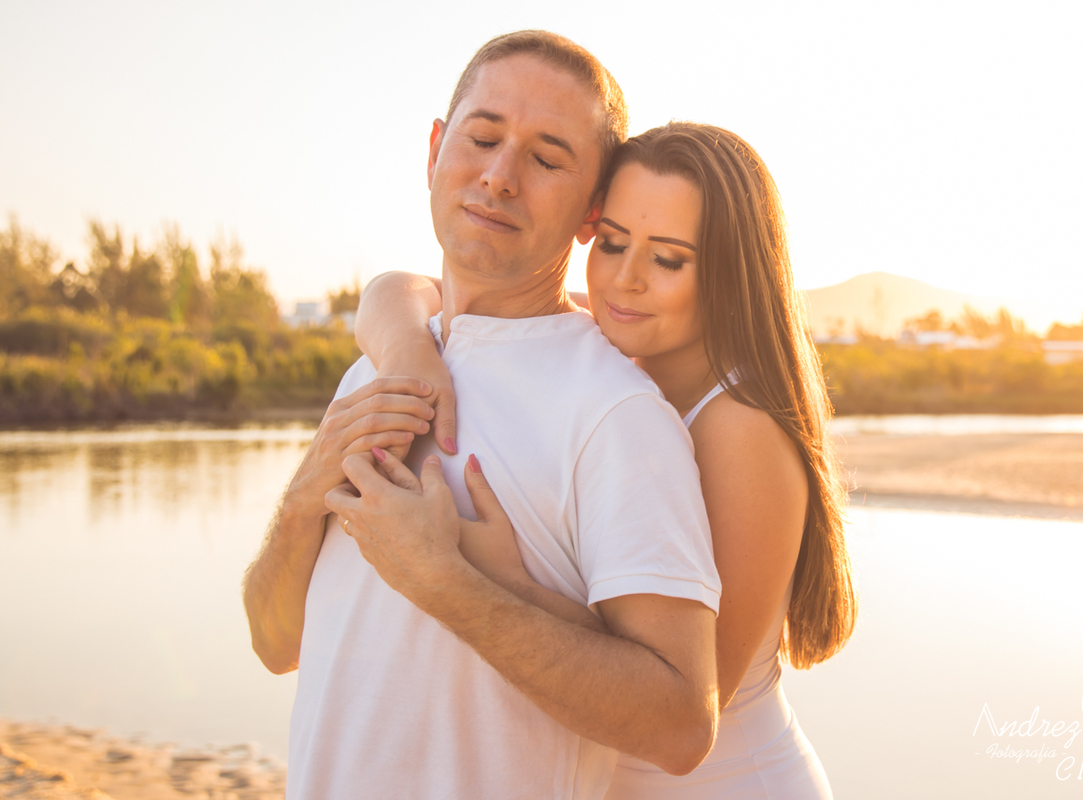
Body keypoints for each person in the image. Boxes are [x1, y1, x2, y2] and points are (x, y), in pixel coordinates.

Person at [241, 32, 724, 800]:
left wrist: (445, 583)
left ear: (591, 211)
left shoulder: (615, 414)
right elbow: (274, 643)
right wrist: (303, 497)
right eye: (484, 137)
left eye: (546, 157)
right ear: (436, 149)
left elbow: (681, 725)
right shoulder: (375, 368)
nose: (499, 176)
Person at [355, 122, 857, 798]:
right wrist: (406, 349)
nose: (626, 278)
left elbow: (688, 698)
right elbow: (404, 288)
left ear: (731, 271)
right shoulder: (611, 342)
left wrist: (501, 577)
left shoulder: (742, 426)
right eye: (613, 243)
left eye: (668, 259)